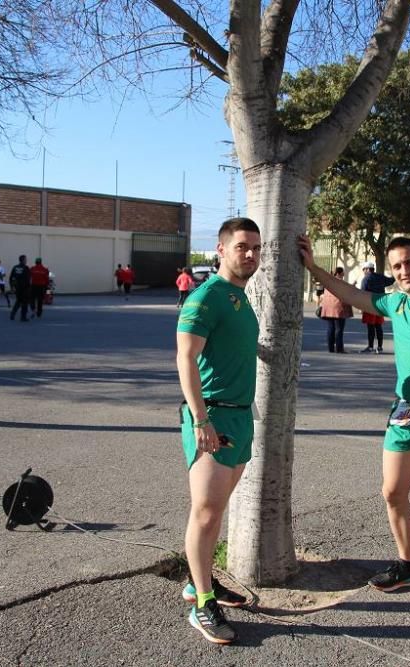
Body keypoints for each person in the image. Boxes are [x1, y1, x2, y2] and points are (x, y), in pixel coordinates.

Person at [299, 234, 410, 603]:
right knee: (392, 491)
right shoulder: (396, 302)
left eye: (409, 262)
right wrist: (313, 267)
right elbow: (351, 294)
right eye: (397, 266)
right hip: (405, 410)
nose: (404, 271)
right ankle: (408, 565)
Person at [176, 217, 262, 644]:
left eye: (256, 248)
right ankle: (202, 605)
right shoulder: (206, 296)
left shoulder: (240, 298)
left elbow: (230, 345)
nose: (251, 254)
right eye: (242, 246)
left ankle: (200, 581)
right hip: (212, 417)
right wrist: (200, 420)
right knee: (207, 512)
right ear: (222, 249)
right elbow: (185, 358)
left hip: (241, 417)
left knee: (218, 510)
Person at [319, 267, 353, 353]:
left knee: (331, 328)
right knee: (339, 329)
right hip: (338, 308)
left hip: (328, 308)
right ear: (339, 273)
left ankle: (330, 348)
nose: (343, 275)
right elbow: (347, 294)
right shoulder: (340, 282)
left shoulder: (328, 282)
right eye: (342, 273)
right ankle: (339, 348)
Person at [359, 261, 389, 353]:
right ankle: (380, 347)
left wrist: (361, 306)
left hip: (369, 305)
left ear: (367, 269)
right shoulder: (380, 277)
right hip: (380, 305)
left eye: (364, 269)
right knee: (378, 326)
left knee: (370, 327)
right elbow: (390, 281)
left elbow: (362, 293)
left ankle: (370, 347)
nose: (364, 271)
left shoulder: (366, 279)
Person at [9, 255, 31, 322]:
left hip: (17, 288)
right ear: (23, 260)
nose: (26, 260)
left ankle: (12, 314)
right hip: (24, 288)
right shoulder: (26, 268)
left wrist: (12, 287)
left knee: (18, 301)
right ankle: (23, 317)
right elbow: (28, 279)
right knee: (24, 302)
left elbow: (11, 278)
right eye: (25, 259)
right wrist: (29, 288)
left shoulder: (15, 267)